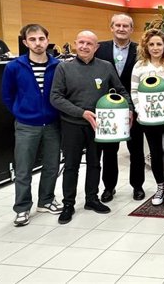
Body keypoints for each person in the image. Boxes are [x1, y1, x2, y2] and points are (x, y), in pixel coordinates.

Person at [50, 30, 132, 224]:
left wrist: (128, 109)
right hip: (72, 124)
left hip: (99, 125)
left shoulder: (106, 67)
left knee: (95, 163)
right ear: (76, 44)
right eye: (81, 43)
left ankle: (91, 199)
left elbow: (121, 91)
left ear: (96, 47)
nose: (85, 47)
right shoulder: (64, 68)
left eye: (89, 44)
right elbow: (55, 97)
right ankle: (68, 204)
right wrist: (81, 113)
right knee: (71, 166)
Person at [1, 24, 62, 226]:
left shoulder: (58, 65)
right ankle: (22, 208)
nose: (38, 43)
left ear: (47, 40)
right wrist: (21, 112)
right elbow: (7, 96)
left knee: (52, 166)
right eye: (33, 39)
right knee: (24, 169)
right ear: (25, 42)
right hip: (27, 125)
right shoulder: (14, 67)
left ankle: (45, 201)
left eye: (41, 39)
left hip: (52, 123)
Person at [131, 29, 164, 210]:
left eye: (159, 44)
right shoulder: (139, 66)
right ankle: (159, 188)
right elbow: (134, 92)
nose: (155, 48)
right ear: (146, 46)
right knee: (155, 154)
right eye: (152, 44)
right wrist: (140, 110)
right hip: (149, 119)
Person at [94, 13, 146, 202]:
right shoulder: (100, 49)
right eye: (118, 25)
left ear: (132, 29)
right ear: (111, 27)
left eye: (126, 26)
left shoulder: (140, 50)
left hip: (135, 106)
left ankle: (138, 186)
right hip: (109, 108)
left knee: (137, 150)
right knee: (109, 151)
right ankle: (109, 187)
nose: (121, 29)